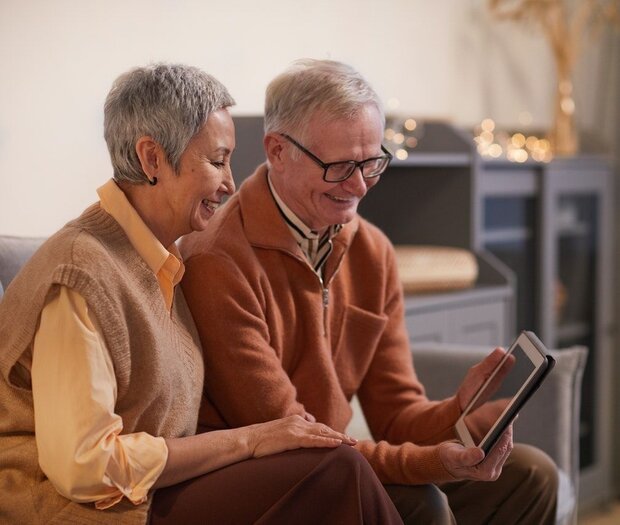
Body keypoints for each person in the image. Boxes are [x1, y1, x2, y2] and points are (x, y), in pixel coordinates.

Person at [0, 63, 403, 525]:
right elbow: (84, 467)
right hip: (75, 508)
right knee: (335, 472)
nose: (231, 183)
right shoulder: (80, 275)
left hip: (154, 490)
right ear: (152, 159)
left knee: (348, 479)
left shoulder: (159, 262)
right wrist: (249, 441)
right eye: (217, 161)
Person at [179, 58, 559, 525]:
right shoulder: (218, 261)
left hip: (338, 464)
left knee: (532, 476)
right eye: (340, 166)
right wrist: (436, 462)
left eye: (372, 162)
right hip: (269, 482)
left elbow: (397, 415)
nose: (360, 186)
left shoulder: (372, 251)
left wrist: (460, 411)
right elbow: (301, 440)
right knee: (423, 503)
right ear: (277, 150)